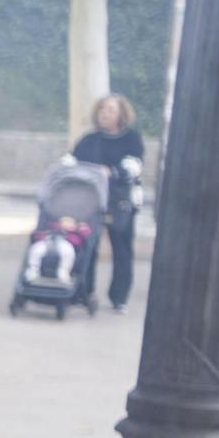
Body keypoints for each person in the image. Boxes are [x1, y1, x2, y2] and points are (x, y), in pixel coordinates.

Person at [70, 93, 146, 312]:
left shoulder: (132, 139)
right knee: (86, 244)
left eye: (111, 110)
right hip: (90, 200)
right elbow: (73, 160)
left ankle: (119, 297)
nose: (105, 113)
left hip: (120, 201)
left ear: (121, 114)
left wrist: (111, 172)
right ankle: (84, 291)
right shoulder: (89, 140)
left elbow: (134, 166)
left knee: (121, 248)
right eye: (102, 109)